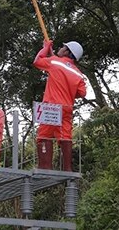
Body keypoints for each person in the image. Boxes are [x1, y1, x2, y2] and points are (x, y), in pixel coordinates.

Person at [33, 40, 87, 171]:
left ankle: (45, 168)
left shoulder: (54, 62)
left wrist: (46, 48)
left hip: (51, 107)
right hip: (67, 108)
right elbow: (82, 93)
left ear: (68, 52)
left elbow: (37, 61)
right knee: (65, 137)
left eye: (63, 47)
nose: (60, 48)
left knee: (44, 136)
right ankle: (67, 169)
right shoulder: (78, 73)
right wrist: (68, 90)